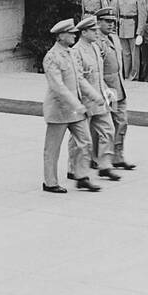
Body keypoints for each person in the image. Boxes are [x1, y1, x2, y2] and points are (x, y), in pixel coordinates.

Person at [41, 19, 97, 194]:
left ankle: (81, 176)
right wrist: (78, 105)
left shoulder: (71, 54)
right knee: (52, 149)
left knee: (86, 142)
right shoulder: (52, 57)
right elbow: (58, 87)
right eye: (71, 33)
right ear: (60, 36)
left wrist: (95, 96)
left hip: (74, 110)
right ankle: (50, 182)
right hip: (58, 110)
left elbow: (79, 79)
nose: (74, 35)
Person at [69, 15, 120, 184]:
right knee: (79, 138)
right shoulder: (76, 51)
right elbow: (79, 79)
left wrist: (106, 91)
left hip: (99, 99)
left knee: (108, 130)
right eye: (93, 30)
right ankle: (74, 169)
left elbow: (98, 75)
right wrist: (94, 94)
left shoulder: (95, 48)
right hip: (84, 101)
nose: (96, 33)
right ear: (84, 32)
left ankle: (104, 165)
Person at [95, 9, 136, 171]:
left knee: (122, 122)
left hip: (118, 86)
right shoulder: (96, 42)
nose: (111, 24)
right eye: (107, 21)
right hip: (106, 88)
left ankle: (118, 155)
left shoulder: (114, 38)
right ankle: (99, 157)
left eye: (113, 21)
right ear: (98, 23)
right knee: (104, 126)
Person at [114, 0, 145, 78]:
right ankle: (126, 75)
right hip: (123, 26)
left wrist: (140, 33)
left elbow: (142, 15)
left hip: (133, 26)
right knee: (125, 54)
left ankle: (134, 76)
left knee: (134, 54)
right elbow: (116, 15)